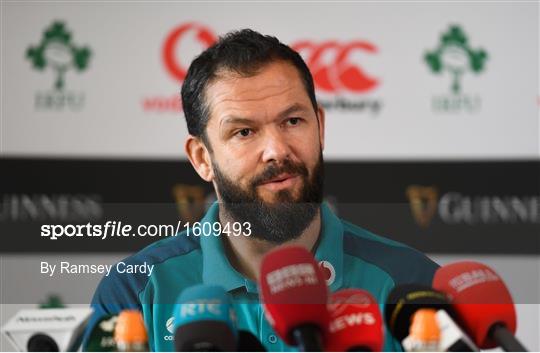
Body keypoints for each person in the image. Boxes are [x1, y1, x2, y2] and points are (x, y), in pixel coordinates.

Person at [83, 29, 438, 351]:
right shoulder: (135, 292)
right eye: (244, 132)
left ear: (320, 127)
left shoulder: (412, 284)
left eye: (292, 121)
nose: (277, 150)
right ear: (202, 157)